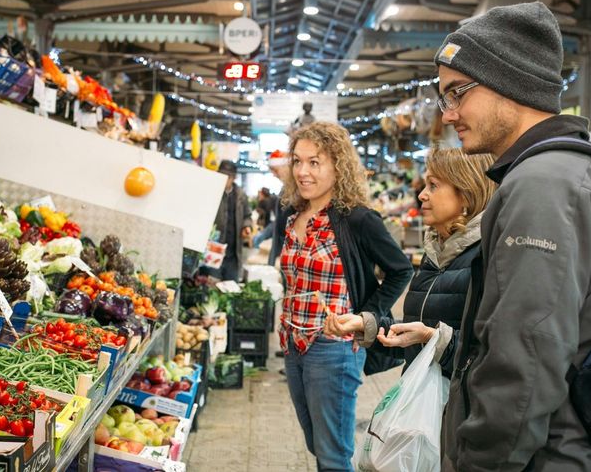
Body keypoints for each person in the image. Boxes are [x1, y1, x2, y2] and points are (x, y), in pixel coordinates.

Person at [432, 1, 591, 471]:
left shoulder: (542, 185)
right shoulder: (573, 171)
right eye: (445, 97)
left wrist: (480, 463)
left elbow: (523, 365)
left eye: (458, 92)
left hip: (548, 456)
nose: (449, 114)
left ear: (509, 84)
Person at [280, 122, 413, 472]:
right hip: (293, 343)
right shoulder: (292, 215)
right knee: (316, 441)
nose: (303, 171)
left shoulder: (357, 220)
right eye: (298, 161)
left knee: (333, 455)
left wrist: (367, 316)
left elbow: (401, 270)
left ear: (338, 165)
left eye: (315, 162)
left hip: (334, 347)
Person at [325, 147, 496, 379]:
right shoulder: (435, 253)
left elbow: (493, 354)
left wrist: (431, 338)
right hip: (426, 401)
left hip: (458, 408)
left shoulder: (487, 258)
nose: (422, 195)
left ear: (466, 194)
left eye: (433, 186)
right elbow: (417, 330)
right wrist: (367, 325)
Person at [210, 159, 252, 281]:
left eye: (227, 176)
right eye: (221, 175)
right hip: (214, 249)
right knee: (212, 285)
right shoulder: (213, 193)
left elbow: (247, 216)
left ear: (233, 178)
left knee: (231, 286)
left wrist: (246, 226)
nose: (224, 179)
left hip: (233, 251)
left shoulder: (240, 195)